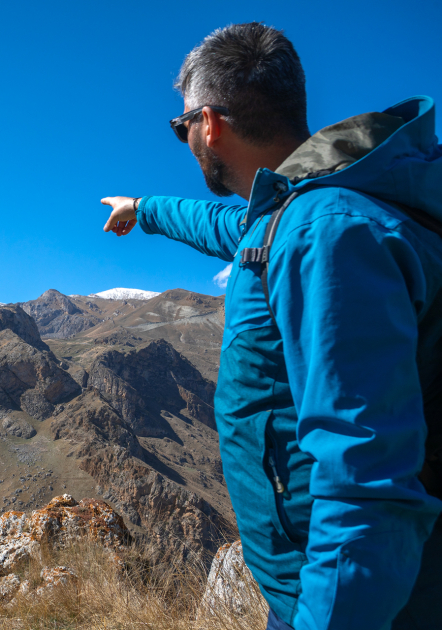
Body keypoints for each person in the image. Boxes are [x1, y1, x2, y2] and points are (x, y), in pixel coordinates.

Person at [101, 22, 442, 630]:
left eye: (181, 127)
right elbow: (224, 227)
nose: (184, 140)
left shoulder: (324, 233)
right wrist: (145, 209)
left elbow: (364, 483)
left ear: (210, 125)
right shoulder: (295, 217)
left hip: (345, 601)